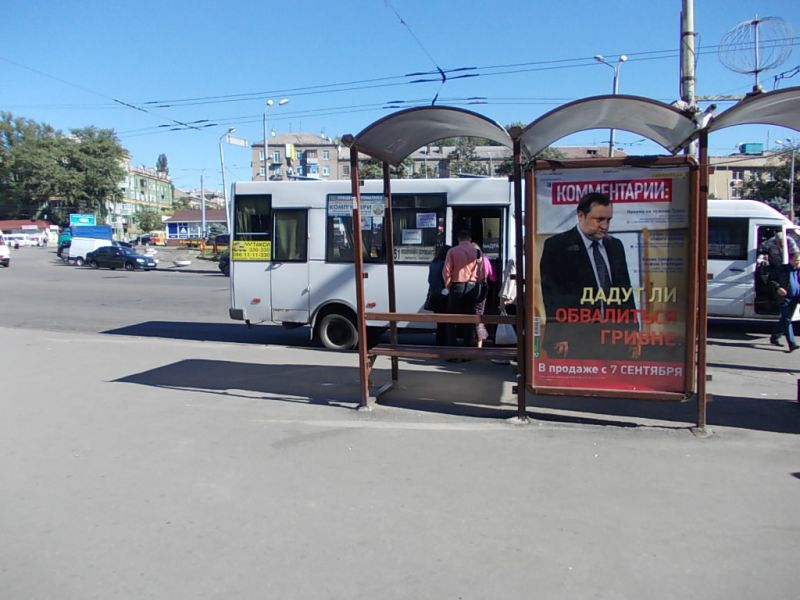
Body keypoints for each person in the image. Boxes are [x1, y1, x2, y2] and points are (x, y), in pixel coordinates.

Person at [539, 191, 638, 360]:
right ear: (580, 215)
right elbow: (552, 295)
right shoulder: (557, 246)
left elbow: (624, 292)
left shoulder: (615, 246)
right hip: (575, 339)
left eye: (608, 220)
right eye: (599, 220)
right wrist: (560, 336)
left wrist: (634, 332)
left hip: (614, 337)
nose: (605, 226)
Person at [443, 230, 483, 347]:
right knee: (469, 319)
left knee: (451, 319)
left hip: (457, 286)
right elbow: (482, 273)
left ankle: (452, 347)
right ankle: (467, 348)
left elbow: (446, 271)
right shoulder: (477, 252)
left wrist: (448, 285)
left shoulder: (452, 251)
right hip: (471, 287)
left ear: (458, 239)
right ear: (470, 239)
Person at [768, 251, 800, 351]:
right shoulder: (782, 269)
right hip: (784, 298)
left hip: (796, 298)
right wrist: (778, 288)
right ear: (791, 259)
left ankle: (775, 336)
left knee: (785, 319)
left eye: (799, 261)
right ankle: (792, 343)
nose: (797, 263)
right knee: (787, 319)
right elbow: (770, 280)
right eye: (796, 260)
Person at [472, 243, 497, 348]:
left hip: (470, 289)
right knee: (479, 315)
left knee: (469, 316)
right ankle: (479, 342)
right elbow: (493, 278)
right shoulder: (486, 260)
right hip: (482, 291)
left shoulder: (470, 260)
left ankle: (472, 340)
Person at [426, 245, 451, 346]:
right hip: (443, 296)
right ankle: (443, 344)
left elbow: (429, 280)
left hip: (433, 295)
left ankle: (439, 343)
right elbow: (446, 279)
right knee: (445, 322)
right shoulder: (444, 264)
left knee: (439, 323)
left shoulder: (433, 263)